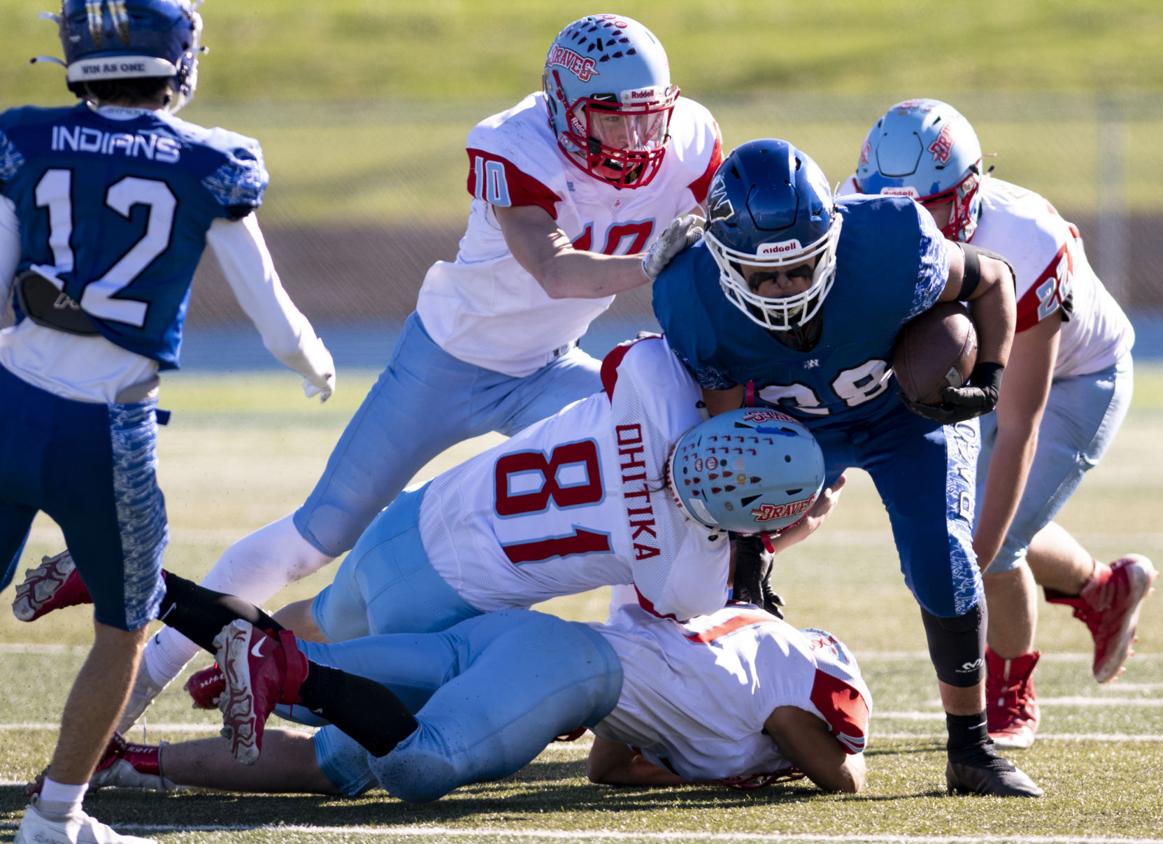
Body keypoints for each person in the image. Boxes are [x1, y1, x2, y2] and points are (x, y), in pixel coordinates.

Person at [72, 12, 725, 728]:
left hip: (548, 368)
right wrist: (658, 260)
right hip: (445, 364)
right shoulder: (514, 142)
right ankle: (137, 688)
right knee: (316, 535)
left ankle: (641, 699)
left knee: (655, 486)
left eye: (646, 119)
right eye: (611, 121)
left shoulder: (691, 137)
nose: (635, 141)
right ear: (566, 109)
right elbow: (554, 270)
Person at [0, 0, 337, 840]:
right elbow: (271, 313)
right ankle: (54, 818)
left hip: (8, 402)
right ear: (176, 58)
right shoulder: (204, 160)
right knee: (125, 625)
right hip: (106, 432)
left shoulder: (30, 139)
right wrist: (312, 363)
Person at [652, 138, 1041, 798]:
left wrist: (992, 378)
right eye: (763, 274)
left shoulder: (889, 241)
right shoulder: (690, 293)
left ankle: (970, 749)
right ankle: (711, 728)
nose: (783, 287)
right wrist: (743, 530)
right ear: (722, 261)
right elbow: (722, 427)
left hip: (903, 415)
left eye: (800, 267)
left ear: (830, 240)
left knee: (940, 556)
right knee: (709, 546)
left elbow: (995, 278)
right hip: (792, 428)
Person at [19, 338, 831, 651]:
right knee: (352, 719)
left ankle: (160, 605)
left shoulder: (654, 380)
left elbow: (647, 367)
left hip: (423, 511)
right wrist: (781, 531)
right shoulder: (685, 567)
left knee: (308, 624)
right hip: (450, 599)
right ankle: (161, 692)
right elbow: (675, 609)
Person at [852, 98, 1154, 749]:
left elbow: (1020, 422)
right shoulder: (859, 212)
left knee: (990, 546)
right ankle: (1102, 589)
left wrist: (975, 560)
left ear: (966, 194)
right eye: (892, 207)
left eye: (927, 209)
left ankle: (1011, 690)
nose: (909, 227)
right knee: (978, 524)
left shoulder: (1023, 242)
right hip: (973, 365)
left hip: (1077, 378)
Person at [90, 602, 871, 800]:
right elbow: (841, 777)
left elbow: (606, 768)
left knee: (337, 761)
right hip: (565, 669)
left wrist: (688, 765)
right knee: (418, 768)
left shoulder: (745, 653)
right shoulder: (783, 690)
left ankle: (127, 755)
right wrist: (742, 773)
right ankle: (287, 676)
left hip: (523, 645)